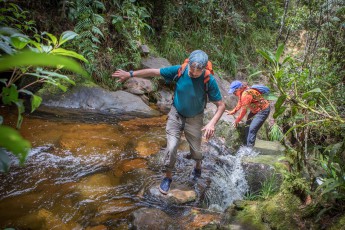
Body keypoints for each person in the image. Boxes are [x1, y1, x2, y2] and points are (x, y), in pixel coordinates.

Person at [112, 50, 225, 195]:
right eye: (193, 69)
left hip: (195, 118)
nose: (195, 73)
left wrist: (212, 123)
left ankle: (198, 164)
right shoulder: (180, 70)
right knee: (171, 147)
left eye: (199, 70)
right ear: (188, 64)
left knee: (196, 150)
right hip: (175, 114)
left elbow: (221, 105)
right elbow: (154, 71)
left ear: (204, 69)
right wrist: (130, 74)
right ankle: (168, 177)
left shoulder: (209, 80)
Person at [226, 80, 270, 147]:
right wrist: (233, 111)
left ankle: (250, 150)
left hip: (263, 110)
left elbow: (244, 111)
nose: (233, 93)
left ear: (239, 89)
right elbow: (240, 102)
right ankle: (246, 145)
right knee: (247, 126)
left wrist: (237, 121)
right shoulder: (243, 91)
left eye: (234, 91)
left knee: (252, 129)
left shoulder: (246, 94)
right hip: (255, 110)